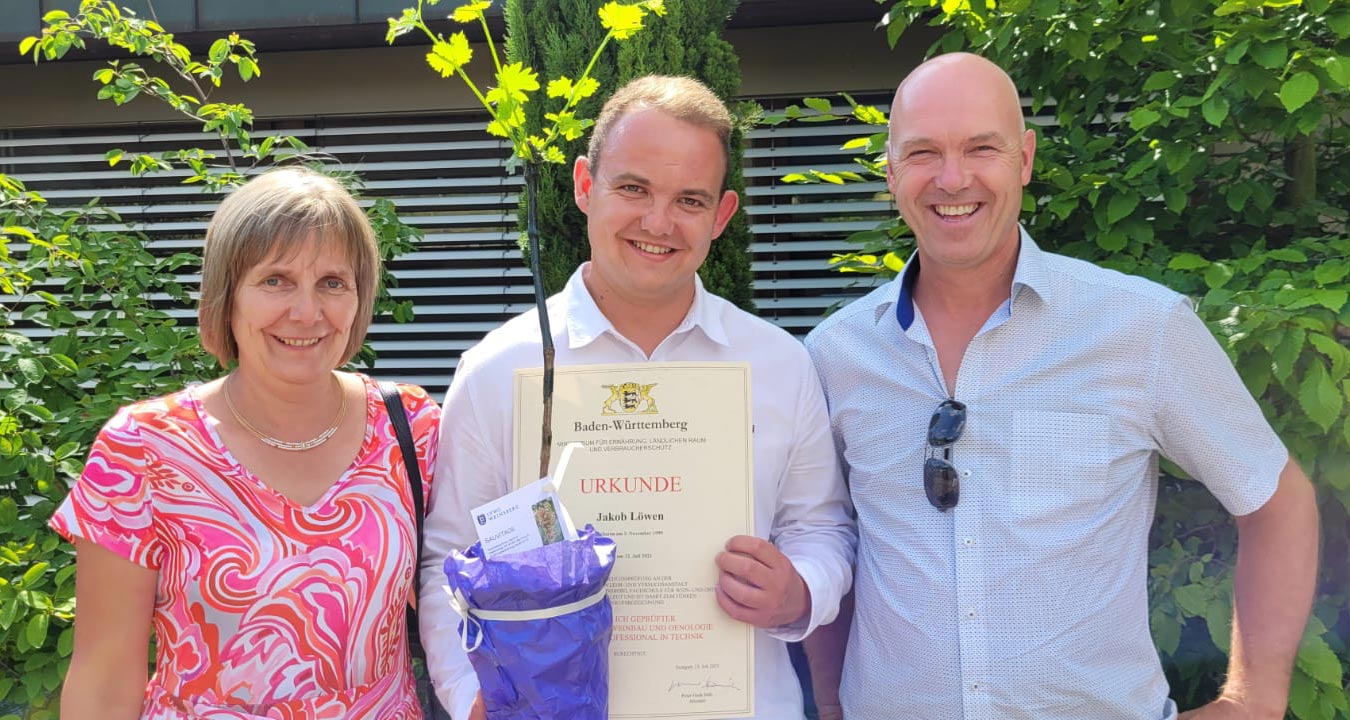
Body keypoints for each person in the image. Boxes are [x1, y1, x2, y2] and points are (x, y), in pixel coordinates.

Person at [801, 52, 1321, 720]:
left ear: (1024, 158)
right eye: (923, 152)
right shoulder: (835, 355)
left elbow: (1276, 499)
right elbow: (826, 540)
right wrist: (830, 701)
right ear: (891, 172)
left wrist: (1253, 703)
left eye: (981, 148)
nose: (952, 178)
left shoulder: (1142, 328)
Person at [420, 75, 857, 720]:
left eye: (689, 200)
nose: (658, 222)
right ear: (584, 185)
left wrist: (801, 590)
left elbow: (821, 527)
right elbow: (448, 561)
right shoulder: (498, 370)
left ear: (722, 216)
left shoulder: (778, 364)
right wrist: (470, 699)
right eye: (633, 188)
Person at [52, 167, 441, 719]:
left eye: (333, 282)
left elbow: (469, 600)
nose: (307, 312)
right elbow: (104, 676)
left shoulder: (411, 429)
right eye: (275, 280)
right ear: (227, 295)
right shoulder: (144, 448)